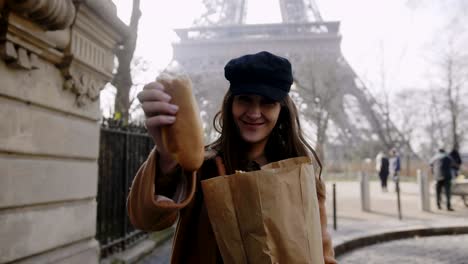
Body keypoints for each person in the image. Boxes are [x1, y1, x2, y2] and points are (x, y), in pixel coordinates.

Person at [127, 51, 336, 263]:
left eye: (267, 102)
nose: (254, 112)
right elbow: (148, 220)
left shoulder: (302, 174)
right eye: (245, 99)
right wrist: (168, 155)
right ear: (230, 104)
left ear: (281, 110)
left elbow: (322, 254)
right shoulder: (202, 168)